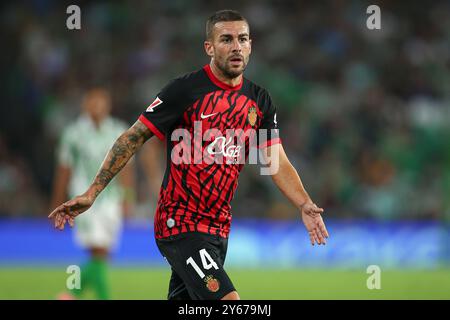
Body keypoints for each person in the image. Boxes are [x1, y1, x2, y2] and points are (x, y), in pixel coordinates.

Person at [49, 10, 329, 300]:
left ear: (250, 45)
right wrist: (93, 192)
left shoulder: (260, 101)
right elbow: (132, 138)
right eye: (226, 39)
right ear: (209, 47)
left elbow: (276, 161)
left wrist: (304, 203)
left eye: (242, 39)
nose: (236, 46)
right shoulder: (184, 90)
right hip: (179, 223)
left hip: (218, 227)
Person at [50, 88, 135, 300]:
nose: (98, 106)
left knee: (103, 255)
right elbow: (64, 170)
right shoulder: (73, 134)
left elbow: (127, 168)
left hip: (111, 201)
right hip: (83, 201)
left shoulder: (118, 130)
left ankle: (71, 292)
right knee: (98, 251)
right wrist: (57, 202)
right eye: (93, 102)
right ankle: (94, 296)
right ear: (85, 105)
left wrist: (127, 198)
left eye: (102, 102)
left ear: (108, 105)